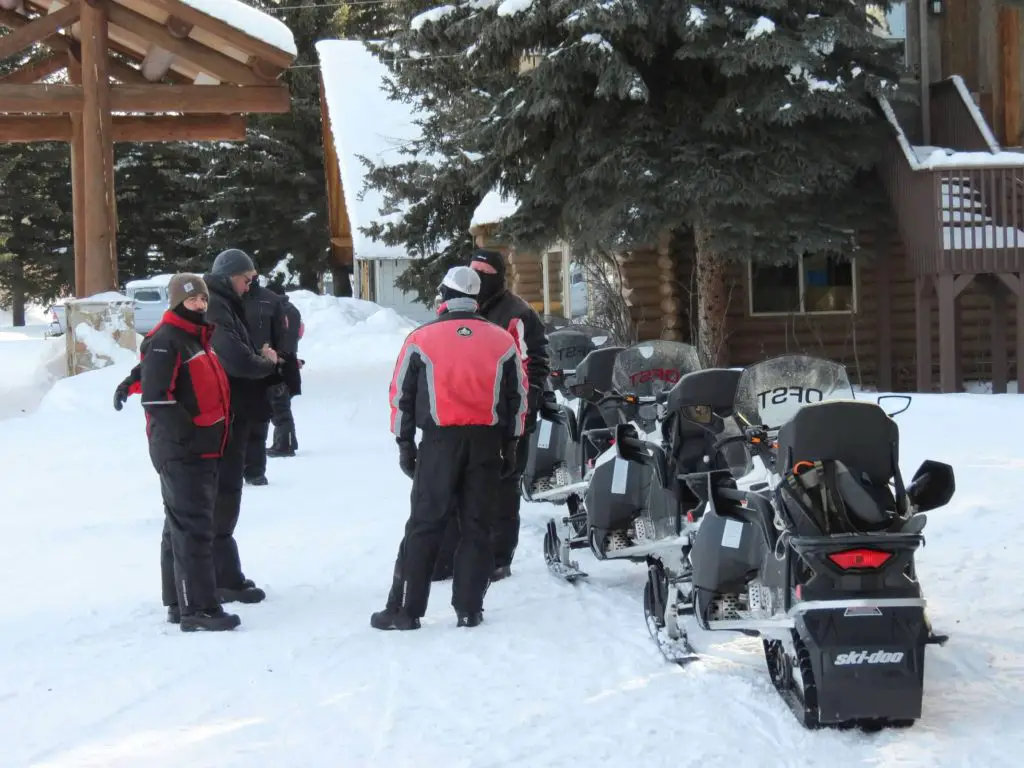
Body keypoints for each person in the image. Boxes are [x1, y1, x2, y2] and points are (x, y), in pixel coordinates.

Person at [370, 266, 528, 631]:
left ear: (443, 294)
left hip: (439, 443)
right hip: (487, 444)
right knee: (476, 526)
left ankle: (408, 612)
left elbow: (400, 395)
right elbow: (517, 399)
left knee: (424, 525)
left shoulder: (422, 338)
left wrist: (404, 442)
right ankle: (469, 609)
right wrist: (512, 443)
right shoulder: (501, 340)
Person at [431, 249, 551, 583]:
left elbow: (535, 365)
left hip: (508, 415)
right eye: (474, 270)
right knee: (455, 485)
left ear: (499, 276)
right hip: (464, 414)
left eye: (486, 271)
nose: (479, 277)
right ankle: (451, 554)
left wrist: (524, 413)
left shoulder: (517, 314)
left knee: (503, 487)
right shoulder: (457, 308)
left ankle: (498, 557)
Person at [135, 274, 240, 632]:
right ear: (177, 302)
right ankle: (199, 608)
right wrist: (191, 435)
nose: (199, 305)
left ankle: (179, 601)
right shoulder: (168, 340)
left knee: (179, 525)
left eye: (202, 300)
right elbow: (157, 396)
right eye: (192, 300)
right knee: (194, 527)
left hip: (202, 448)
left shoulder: (194, 337)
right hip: (184, 451)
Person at [202, 248, 280, 604]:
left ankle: (226, 575)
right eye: (245, 279)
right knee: (222, 495)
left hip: (233, 412)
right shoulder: (217, 308)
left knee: (227, 495)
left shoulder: (225, 304)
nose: (250, 286)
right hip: (224, 415)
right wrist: (265, 361)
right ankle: (219, 579)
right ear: (228, 275)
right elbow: (237, 360)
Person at [241, 278, 288, 484]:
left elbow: (282, 337)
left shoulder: (270, 301)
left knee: (259, 422)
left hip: (263, 369)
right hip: (232, 368)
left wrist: (278, 367)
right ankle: (233, 468)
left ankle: (255, 470)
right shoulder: (222, 301)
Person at [264, 282, 304, 457]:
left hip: (280, 362)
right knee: (282, 406)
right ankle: (287, 442)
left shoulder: (276, 310)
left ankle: (284, 445)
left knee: (279, 408)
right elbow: (299, 333)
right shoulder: (292, 309)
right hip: (289, 362)